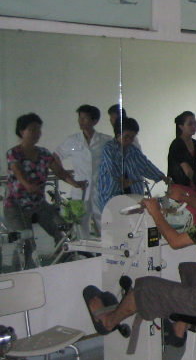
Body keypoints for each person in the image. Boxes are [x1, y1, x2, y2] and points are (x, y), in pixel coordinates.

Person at [83, 162, 196, 347]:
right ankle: (179, 328)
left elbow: (175, 242)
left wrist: (156, 213)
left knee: (144, 286)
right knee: (189, 269)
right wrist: (184, 197)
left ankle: (108, 322)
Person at [6, 113, 85, 267]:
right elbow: (17, 171)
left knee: (64, 232)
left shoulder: (44, 153)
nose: (37, 133)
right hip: (16, 206)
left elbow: (59, 172)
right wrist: (28, 186)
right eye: (32, 129)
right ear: (22, 131)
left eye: (39, 129)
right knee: (25, 243)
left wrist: (75, 183)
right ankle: (20, 274)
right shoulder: (14, 153)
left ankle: (65, 267)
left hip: (39, 204)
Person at [53, 105, 113, 237]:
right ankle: (83, 255)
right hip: (80, 189)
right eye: (80, 118)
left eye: (85, 118)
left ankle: (107, 252)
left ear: (95, 121)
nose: (81, 121)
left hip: (100, 189)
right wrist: (64, 173)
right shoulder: (72, 140)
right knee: (80, 225)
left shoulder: (106, 140)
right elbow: (55, 156)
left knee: (105, 223)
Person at [97, 118, 169, 211]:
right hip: (111, 194)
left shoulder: (133, 150)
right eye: (126, 136)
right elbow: (112, 167)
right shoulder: (109, 148)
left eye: (132, 137)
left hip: (133, 194)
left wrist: (162, 176)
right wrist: (121, 179)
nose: (129, 140)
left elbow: (145, 165)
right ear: (118, 134)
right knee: (114, 222)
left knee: (134, 221)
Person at [167, 111, 196, 225]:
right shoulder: (177, 144)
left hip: (193, 185)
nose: (194, 126)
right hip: (179, 187)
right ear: (181, 126)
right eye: (190, 124)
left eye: (195, 123)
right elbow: (187, 170)